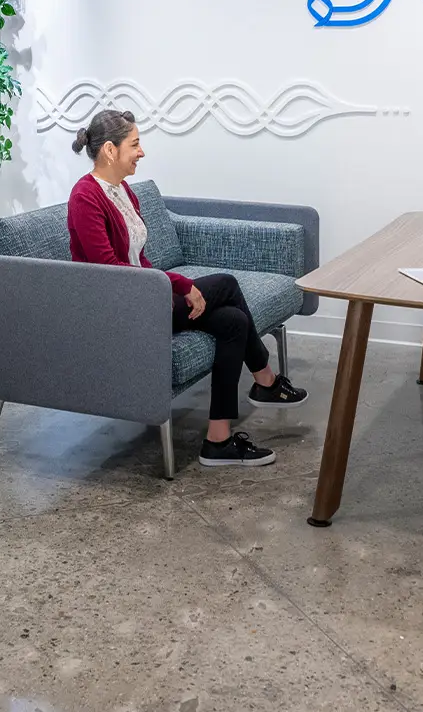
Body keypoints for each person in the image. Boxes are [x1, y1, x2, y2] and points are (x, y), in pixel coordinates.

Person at [66, 108, 304, 466]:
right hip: (118, 308)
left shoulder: (122, 191)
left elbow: (137, 261)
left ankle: (218, 441)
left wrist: (173, 288)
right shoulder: (86, 197)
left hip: (142, 295)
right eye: (135, 144)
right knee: (225, 282)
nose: (142, 152)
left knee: (233, 324)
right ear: (110, 151)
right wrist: (180, 283)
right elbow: (110, 272)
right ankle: (265, 380)